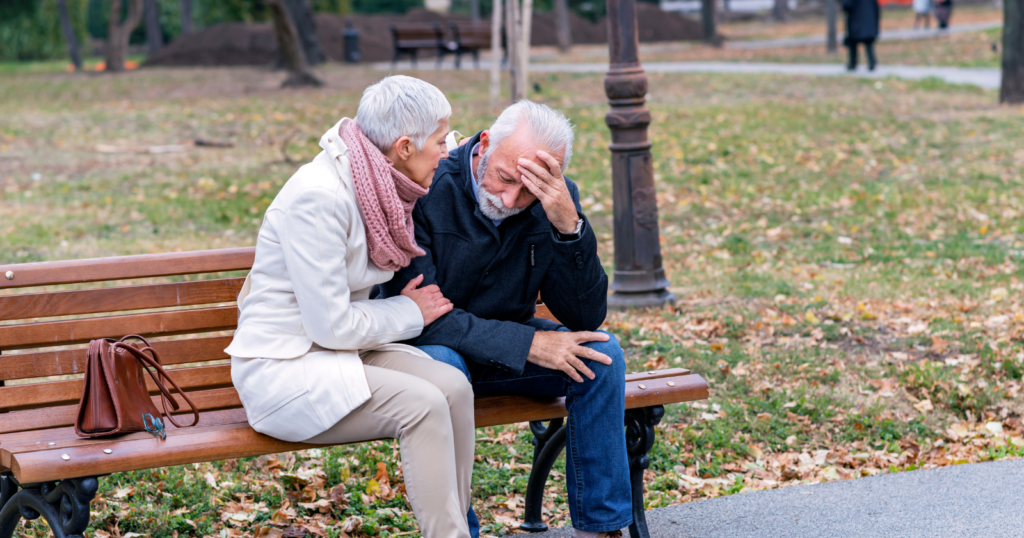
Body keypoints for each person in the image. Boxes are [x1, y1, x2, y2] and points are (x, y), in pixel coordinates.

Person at [225, 75, 476, 538]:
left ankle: (457, 528)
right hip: (284, 368)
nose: (448, 152)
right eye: (441, 141)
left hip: (337, 354)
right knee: (422, 405)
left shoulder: (380, 184)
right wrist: (409, 312)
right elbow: (332, 326)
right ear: (404, 146)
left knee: (454, 388)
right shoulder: (319, 198)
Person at [377, 100, 630, 538]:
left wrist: (569, 228)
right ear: (486, 146)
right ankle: (462, 531)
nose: (511, 200)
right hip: (432, 352)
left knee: (602, 355)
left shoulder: (555, 197)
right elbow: (423, 318)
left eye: (529, 190)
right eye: (505, 178)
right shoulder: (428, 181)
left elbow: (585, 316)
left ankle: (600, 528)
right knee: (444, 369)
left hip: (505, 354)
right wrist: (528, 345)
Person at [843, 0, 880, 71]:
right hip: (869, 21)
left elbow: (847, 5)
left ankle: (852, 63)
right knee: (868, 44)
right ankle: (872, 63)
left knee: (853, 44)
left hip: (856, 21)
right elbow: (876, 7)